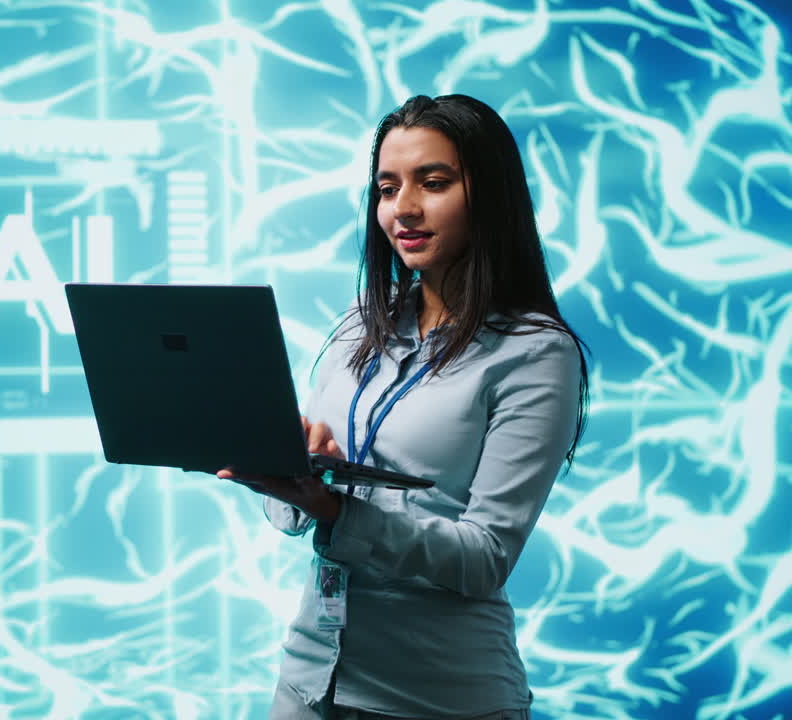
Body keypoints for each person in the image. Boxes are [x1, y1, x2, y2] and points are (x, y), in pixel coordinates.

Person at [218, 94, 589, 719]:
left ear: (489, 196)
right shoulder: (359, 326)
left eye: (433, 183)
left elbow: (485, 559)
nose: (403, 208)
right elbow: (290, 519)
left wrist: (338, 510)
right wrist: (284, 471)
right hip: (310, 680)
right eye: (387, 189)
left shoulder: (534, 352)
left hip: (436, 696)